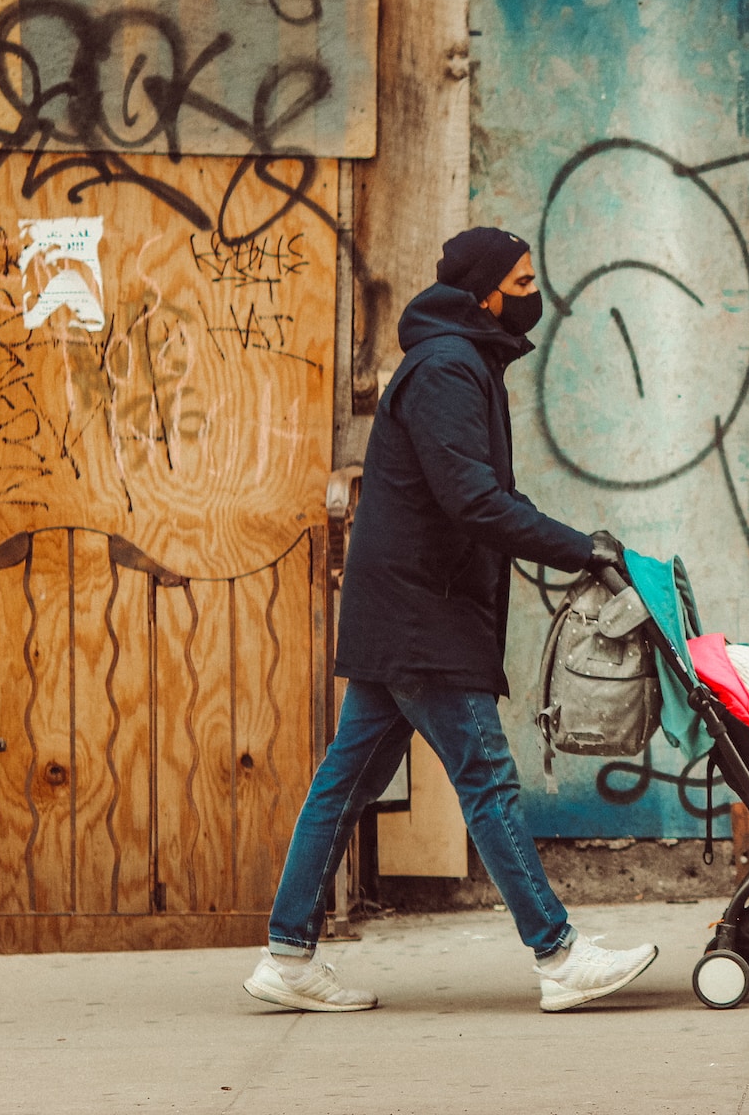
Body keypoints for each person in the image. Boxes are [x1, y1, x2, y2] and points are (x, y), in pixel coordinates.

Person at [244, 227, 655, 1014]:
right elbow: (473, 500)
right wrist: (579, 548)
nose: (536, 293)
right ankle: (559, 952)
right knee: (488, 780)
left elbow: (481, 492)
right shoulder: (446, 369)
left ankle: (288, 953)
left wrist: (572, 544)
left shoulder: (460, 360)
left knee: (347, 780)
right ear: (484, 292)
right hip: (421, 614)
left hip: (409, 608)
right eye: (524, 280)